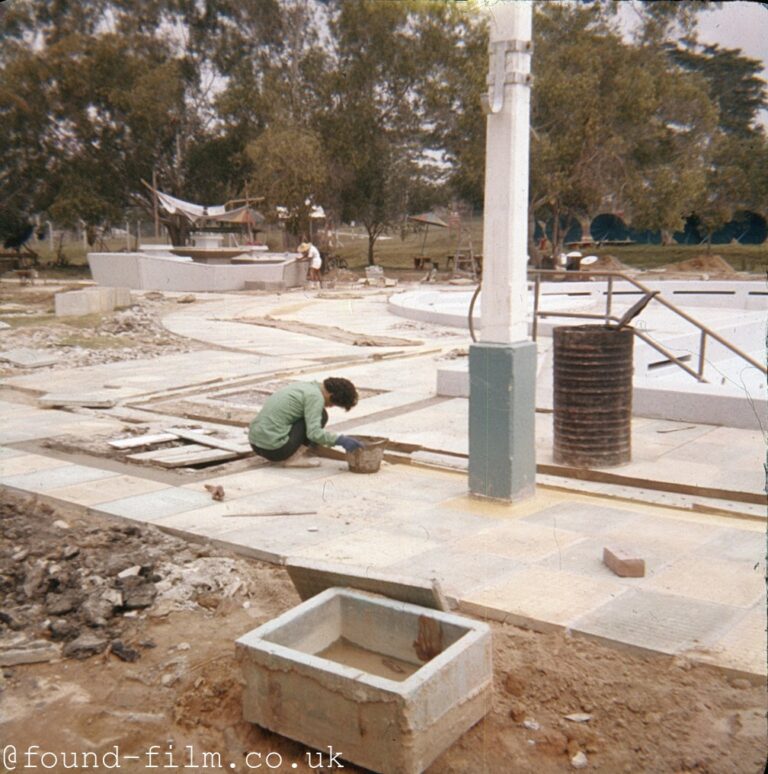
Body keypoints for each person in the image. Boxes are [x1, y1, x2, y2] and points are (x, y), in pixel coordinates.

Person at [249, 377, 364, 467]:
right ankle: (293, 459)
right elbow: (313, 433)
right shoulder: (315, 397)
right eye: (333, 403)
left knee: (310, 416)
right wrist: (340, 440)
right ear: (331, 395)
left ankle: (290, 451)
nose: (330, 406)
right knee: (322, 415)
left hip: (255, 444)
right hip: (275, 451)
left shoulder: (305, 386)